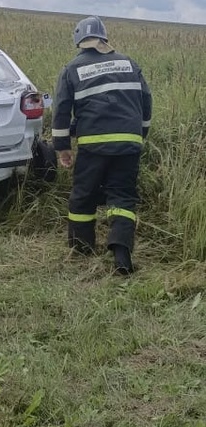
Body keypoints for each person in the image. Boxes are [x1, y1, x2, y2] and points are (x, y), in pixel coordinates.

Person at [52, 16, 152, 275]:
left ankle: (82, 247)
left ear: (79, 41)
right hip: (129, 144)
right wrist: (141, 134)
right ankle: (122, 256)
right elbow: (146, 101)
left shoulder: (71, 69)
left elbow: (61, 111)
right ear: (104, 38)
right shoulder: (129, 63)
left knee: (84, 195)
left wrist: (62, 147)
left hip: (93, 147)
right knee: (122, 197)